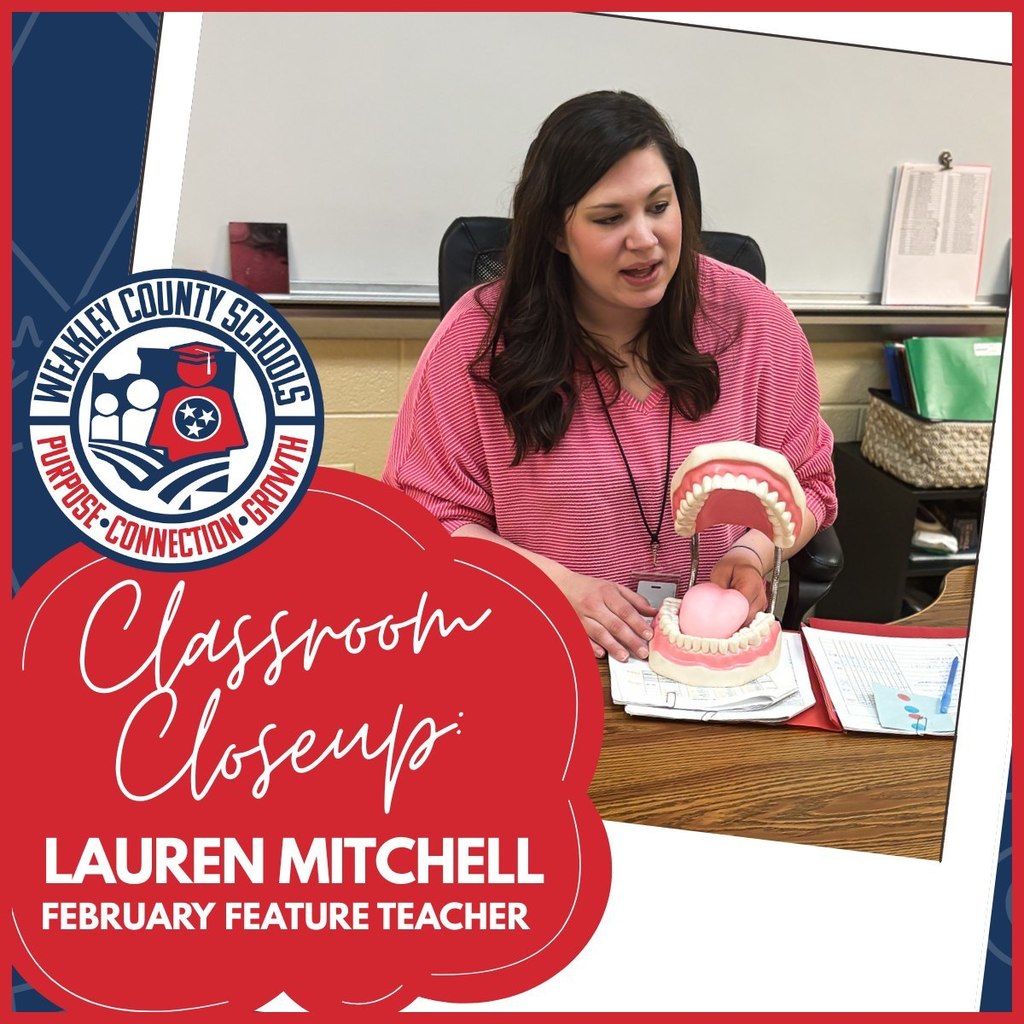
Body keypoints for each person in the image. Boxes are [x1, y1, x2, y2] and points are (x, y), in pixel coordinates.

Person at [383, 90, 836, 663]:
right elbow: (424, 520)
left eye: (659, 207)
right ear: (555, 231)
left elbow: (809, 485)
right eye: (609, 218)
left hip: (707, 663)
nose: (644, 239)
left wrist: (751, 555)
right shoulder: (478, 337)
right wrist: (559, 590)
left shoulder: (754, 320)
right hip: (537, 649)